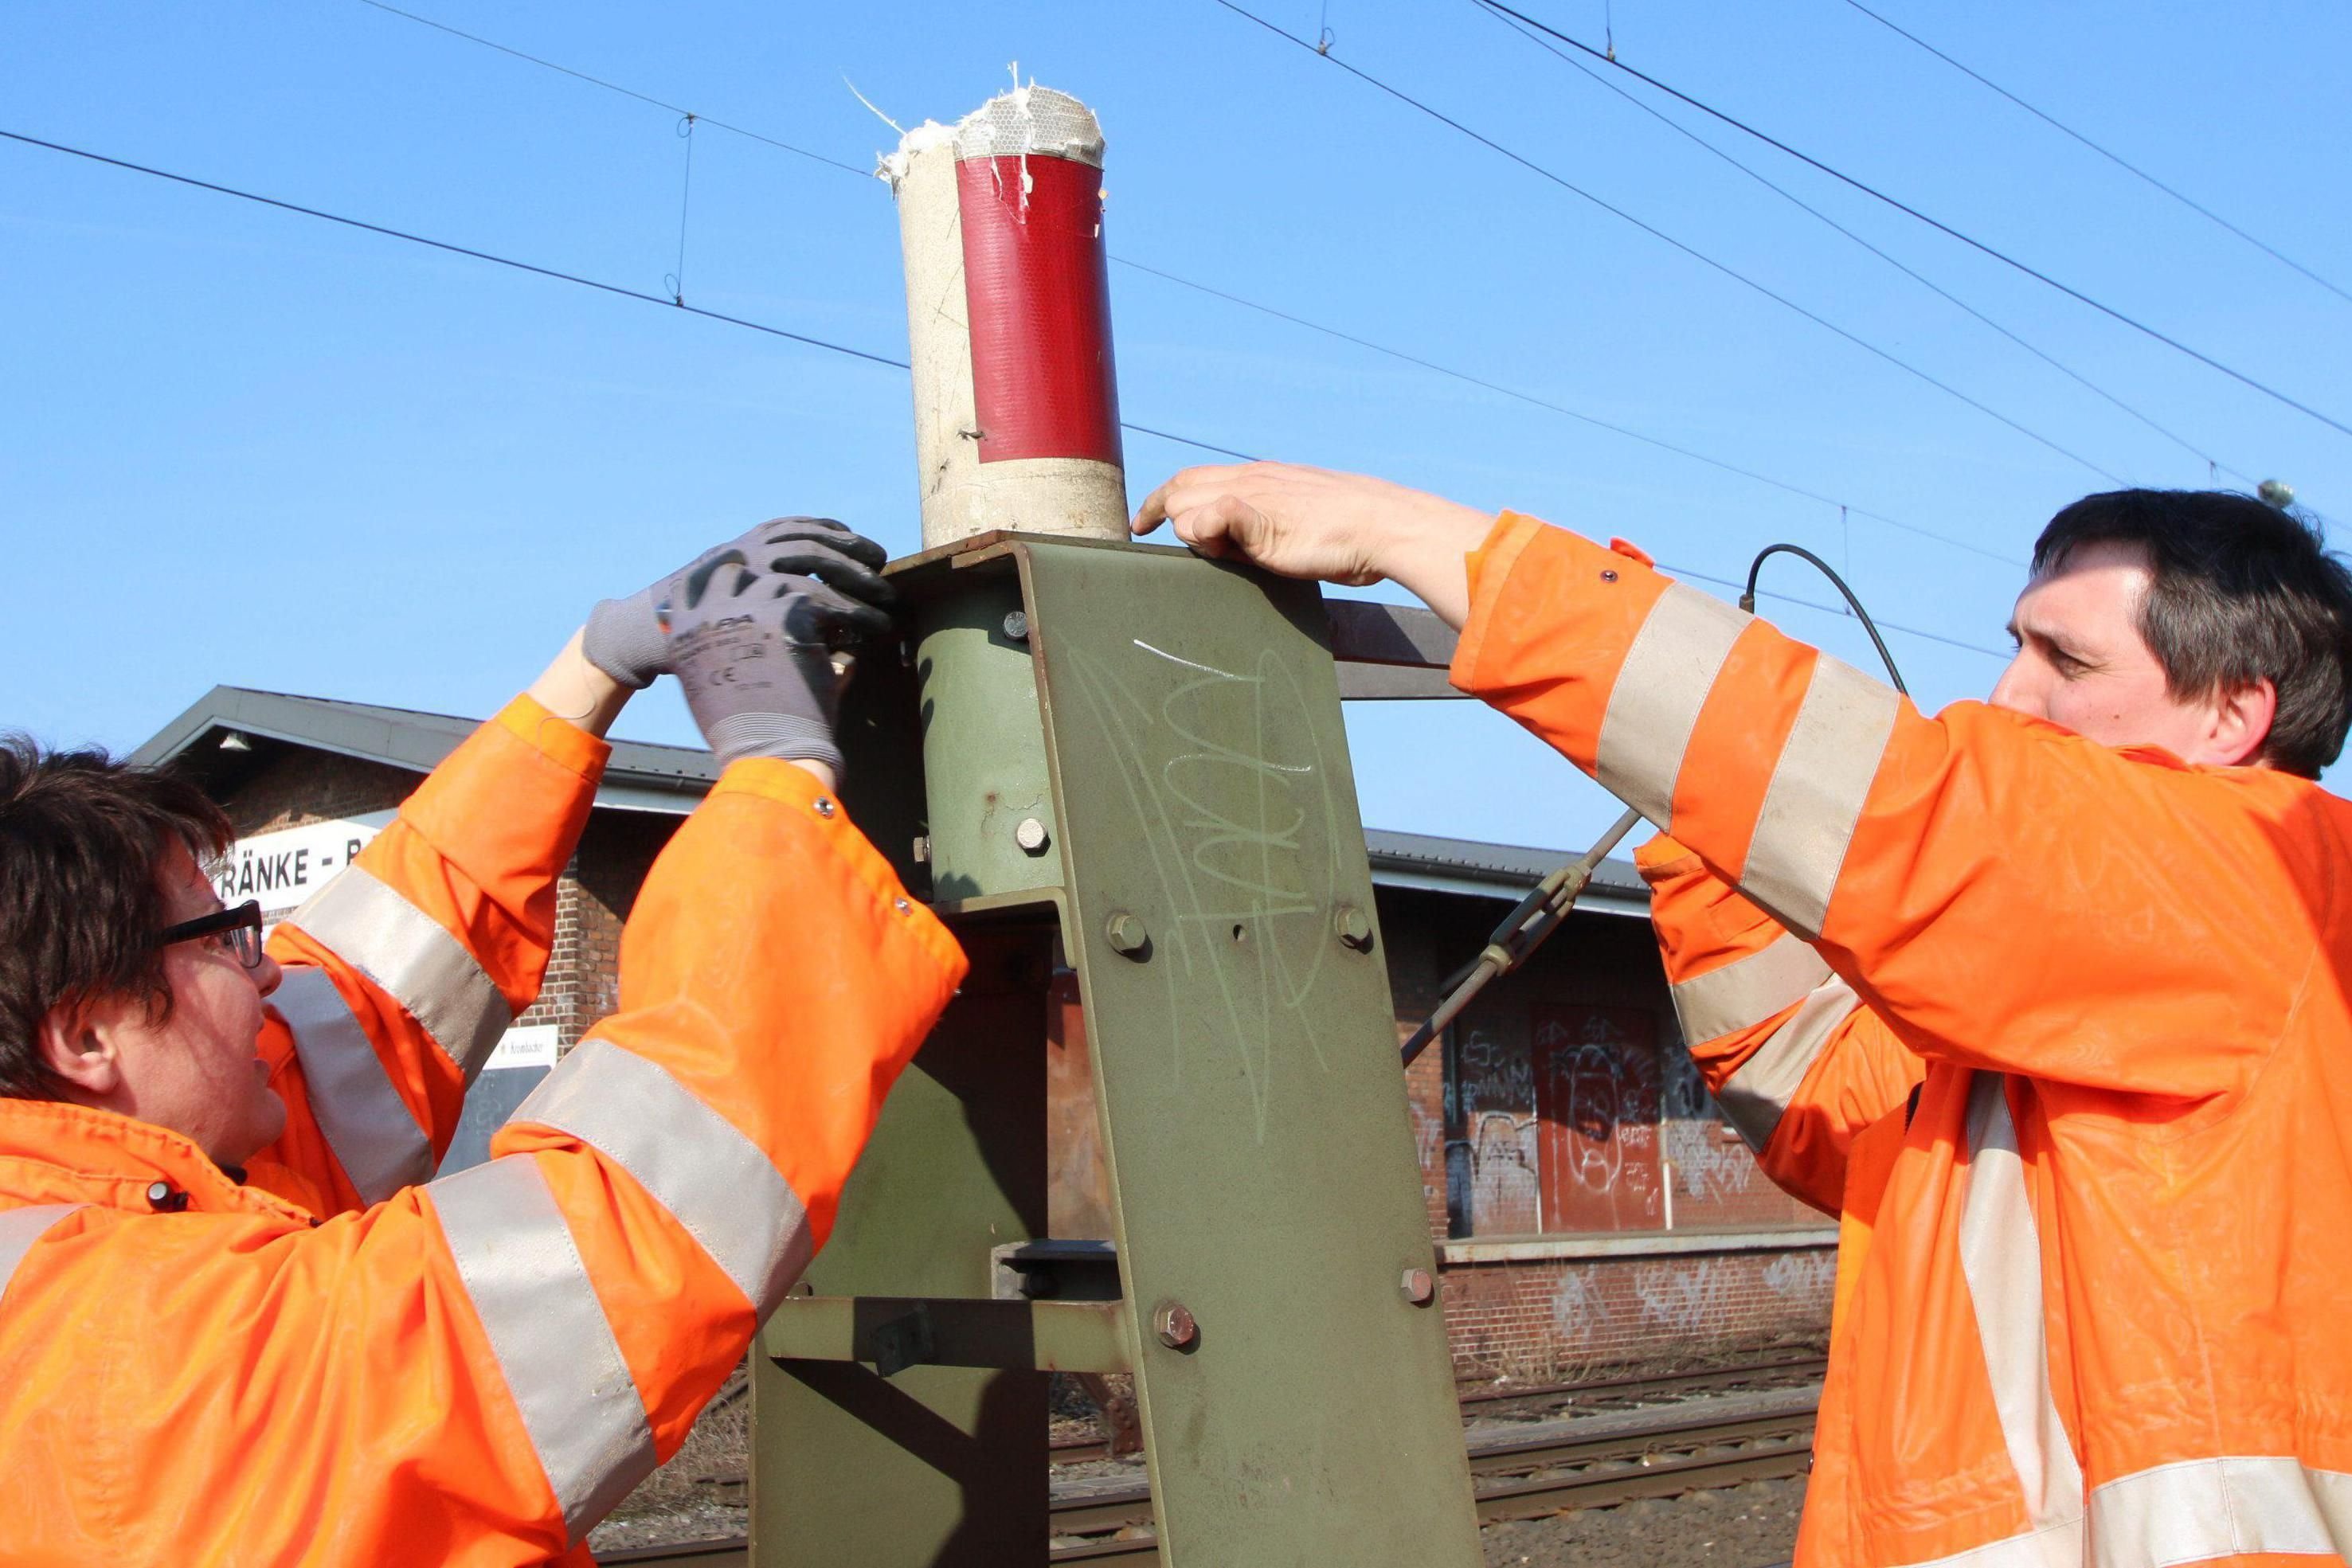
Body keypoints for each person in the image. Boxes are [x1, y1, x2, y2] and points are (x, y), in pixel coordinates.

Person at [1135, 464, 2352, 1568]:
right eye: (2014, 648)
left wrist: (1402, 532)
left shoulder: (2272, 875)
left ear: (2230, 716)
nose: (2006, 695)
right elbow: (1822, 1091)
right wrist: (1689, 797)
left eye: (2067, 664)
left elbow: (1906, 813)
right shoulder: (2080, 981)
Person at [0, 519, 965, 1564]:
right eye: (225, 939)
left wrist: (588, 670)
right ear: (87, 1032)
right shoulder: (123, 1357)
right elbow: (613, 1240)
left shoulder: (72, 1222)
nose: (269, 967)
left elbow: (369, 1003)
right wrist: (777, 771)